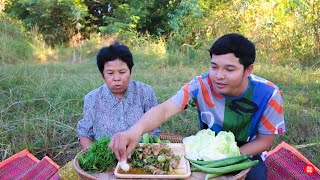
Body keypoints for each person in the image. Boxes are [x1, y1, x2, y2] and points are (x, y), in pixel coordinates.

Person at [109, 33, 285, 179]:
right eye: (214, 66)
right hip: (204, 151)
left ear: (248, 70)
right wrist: (135, 130)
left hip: (246, 152)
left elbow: (264, 141)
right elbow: (165, 110)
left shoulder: (269, 94)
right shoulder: (200, 84)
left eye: (229, 70)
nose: (218, 76)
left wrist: (223, 159)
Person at [77, 41, 160, 150]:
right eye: (110, 73)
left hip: (139, 153)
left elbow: (154, 129)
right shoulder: (92, 98)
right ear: (103, 74)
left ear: (130, 71)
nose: (117, 78)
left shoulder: (145, 92)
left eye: (122, 72)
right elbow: (85, 133)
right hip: (106, 158)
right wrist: (95, 156)